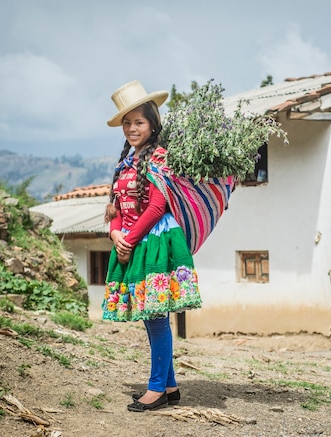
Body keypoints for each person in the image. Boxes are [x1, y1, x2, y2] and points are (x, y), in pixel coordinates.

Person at [101, 80, 202, 412]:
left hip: (155, 242)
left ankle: (156, 389)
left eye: (138, 122)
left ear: (152, 123)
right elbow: (115, 206)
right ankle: (169, 386)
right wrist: (115, 234)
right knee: (151, 315)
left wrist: (128, 239)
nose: (132, 128)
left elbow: (158, 206)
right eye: (127, 123)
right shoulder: (125, 162)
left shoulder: (160, 157)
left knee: (156, 317)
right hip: (131, 241)